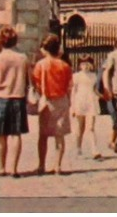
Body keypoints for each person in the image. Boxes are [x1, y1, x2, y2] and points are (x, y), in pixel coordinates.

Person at [0, 26, 31, 177]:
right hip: (18, 98)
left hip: (2, 98)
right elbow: (28, 80)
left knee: (2, 136)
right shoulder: (23, 58)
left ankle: (1, 167)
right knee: (16, 134)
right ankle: (14, 168)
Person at [33, 33, 73, 174]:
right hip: (61, 100)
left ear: (45, 48)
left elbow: (36, 84)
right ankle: (57, 165)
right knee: (59, 135)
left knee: (43, 136)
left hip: (47, 100)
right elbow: (69, 86)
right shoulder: (65, 66)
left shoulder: (40, 65)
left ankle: (41, 165)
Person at [71, 55, 102, 160]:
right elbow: (73, 92)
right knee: (80, 128)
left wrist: (103, 96)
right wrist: (73, 107)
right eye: (83, 64)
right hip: (79, 102)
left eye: (87, 63)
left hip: (91, 103)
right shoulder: (76, 76)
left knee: (91, 128)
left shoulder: (94, 76)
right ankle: (78, 148)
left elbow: (95, 90)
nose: (85, 66)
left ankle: (95, 150)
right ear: (79, 65)